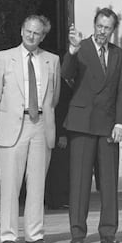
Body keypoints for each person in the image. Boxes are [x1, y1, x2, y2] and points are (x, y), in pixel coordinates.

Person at [0, 15, 60, 243]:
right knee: (9, 184)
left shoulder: (52, 61)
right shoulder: (3, 58)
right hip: (13, 126)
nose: (31, 36)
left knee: (37, 183)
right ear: (21, 31)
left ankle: (34, 233)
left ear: (43, 36)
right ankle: (8, 235)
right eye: (28, 31)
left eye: (37, 33)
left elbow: (54, 97)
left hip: (40, 124)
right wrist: (7, 122)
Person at [61, 8, 122, 243]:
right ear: (94, 25)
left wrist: (121, 123)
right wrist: (72, 51)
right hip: (82, 124)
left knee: (109, 182)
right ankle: (77, 233)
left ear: (113, 30)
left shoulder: (118, 54)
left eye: (107, 28)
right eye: (99, 26)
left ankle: (108, 231)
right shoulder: (81, 48)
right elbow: (66, 74)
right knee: (79, 181)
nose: (102, 31)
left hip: (109, 126)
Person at [45, 77, 73, 209]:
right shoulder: (60, 84)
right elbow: (59, 110)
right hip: (58, 131)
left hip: (63, 130)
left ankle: (57, 198)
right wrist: (62, 134)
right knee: (58, 168)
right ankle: (57, 199)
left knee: (61, 167)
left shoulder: (67, 83)